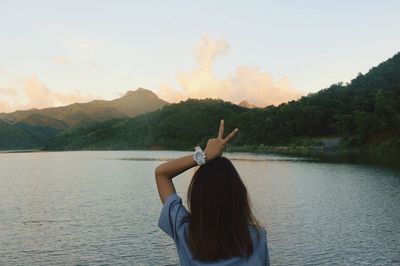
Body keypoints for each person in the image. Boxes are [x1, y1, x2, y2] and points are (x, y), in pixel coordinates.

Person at [155, 120, 270, 265]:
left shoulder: (185, 231)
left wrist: (203, 156)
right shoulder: (257, 238)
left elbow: (162, 174)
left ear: (197, 196)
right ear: (238, 196)